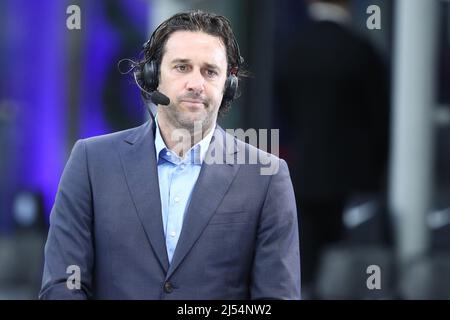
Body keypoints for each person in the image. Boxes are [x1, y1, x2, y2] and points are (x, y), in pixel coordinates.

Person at [39, 10, 300, 300]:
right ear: (153, 75)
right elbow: (62, 285)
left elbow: (275, 298)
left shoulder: (266, 176)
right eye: (182, 67)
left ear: (228, 84)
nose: (196, 84)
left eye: (210, 72)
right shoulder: (91, 161)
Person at [276, 0, 390, 297]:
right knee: (358, 276)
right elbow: (381, 121)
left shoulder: (292, 50)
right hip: (357, 185)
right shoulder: (361, 50)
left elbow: (284, 112)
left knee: (307, 274)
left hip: (306, 177)